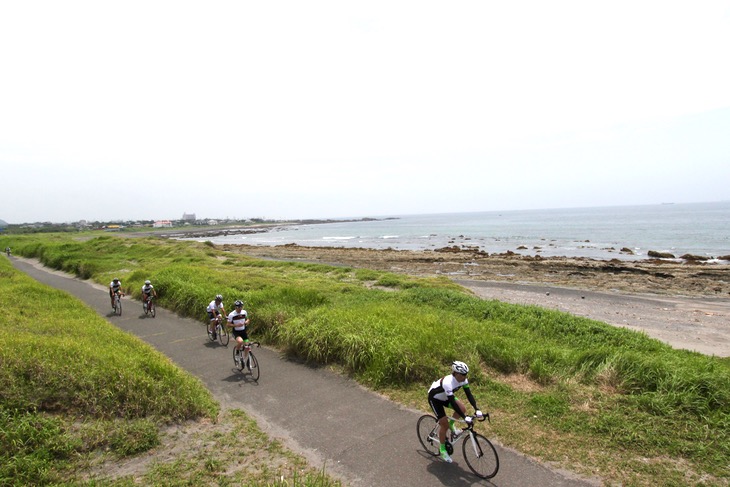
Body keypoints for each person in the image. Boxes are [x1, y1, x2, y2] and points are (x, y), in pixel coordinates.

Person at [427, 361, 484, 463]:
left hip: (446, 398)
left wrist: (477, 408)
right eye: (463, 374)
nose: (465, 377)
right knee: (444, 425)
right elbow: (453, 402)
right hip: (435, 400)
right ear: (456, 374)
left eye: (466, 374)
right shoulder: (448, 382)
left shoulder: (463, 380)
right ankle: (443, 449)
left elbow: (469, 395)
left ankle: (451, 425)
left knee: (462, 408)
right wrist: (464, 417)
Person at [227, 300, 252, 368]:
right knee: (240, 342)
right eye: (238, 307)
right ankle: (237, 354)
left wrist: (246, 322)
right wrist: (236, 325)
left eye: (241, 307)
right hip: (236, 332)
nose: (240, 309)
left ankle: (243, 359)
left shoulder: (244, 312)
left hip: (243, 332)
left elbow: (248, 319)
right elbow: (228, 324)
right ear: (235, 307)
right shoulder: (231, 314)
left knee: (247, 347)